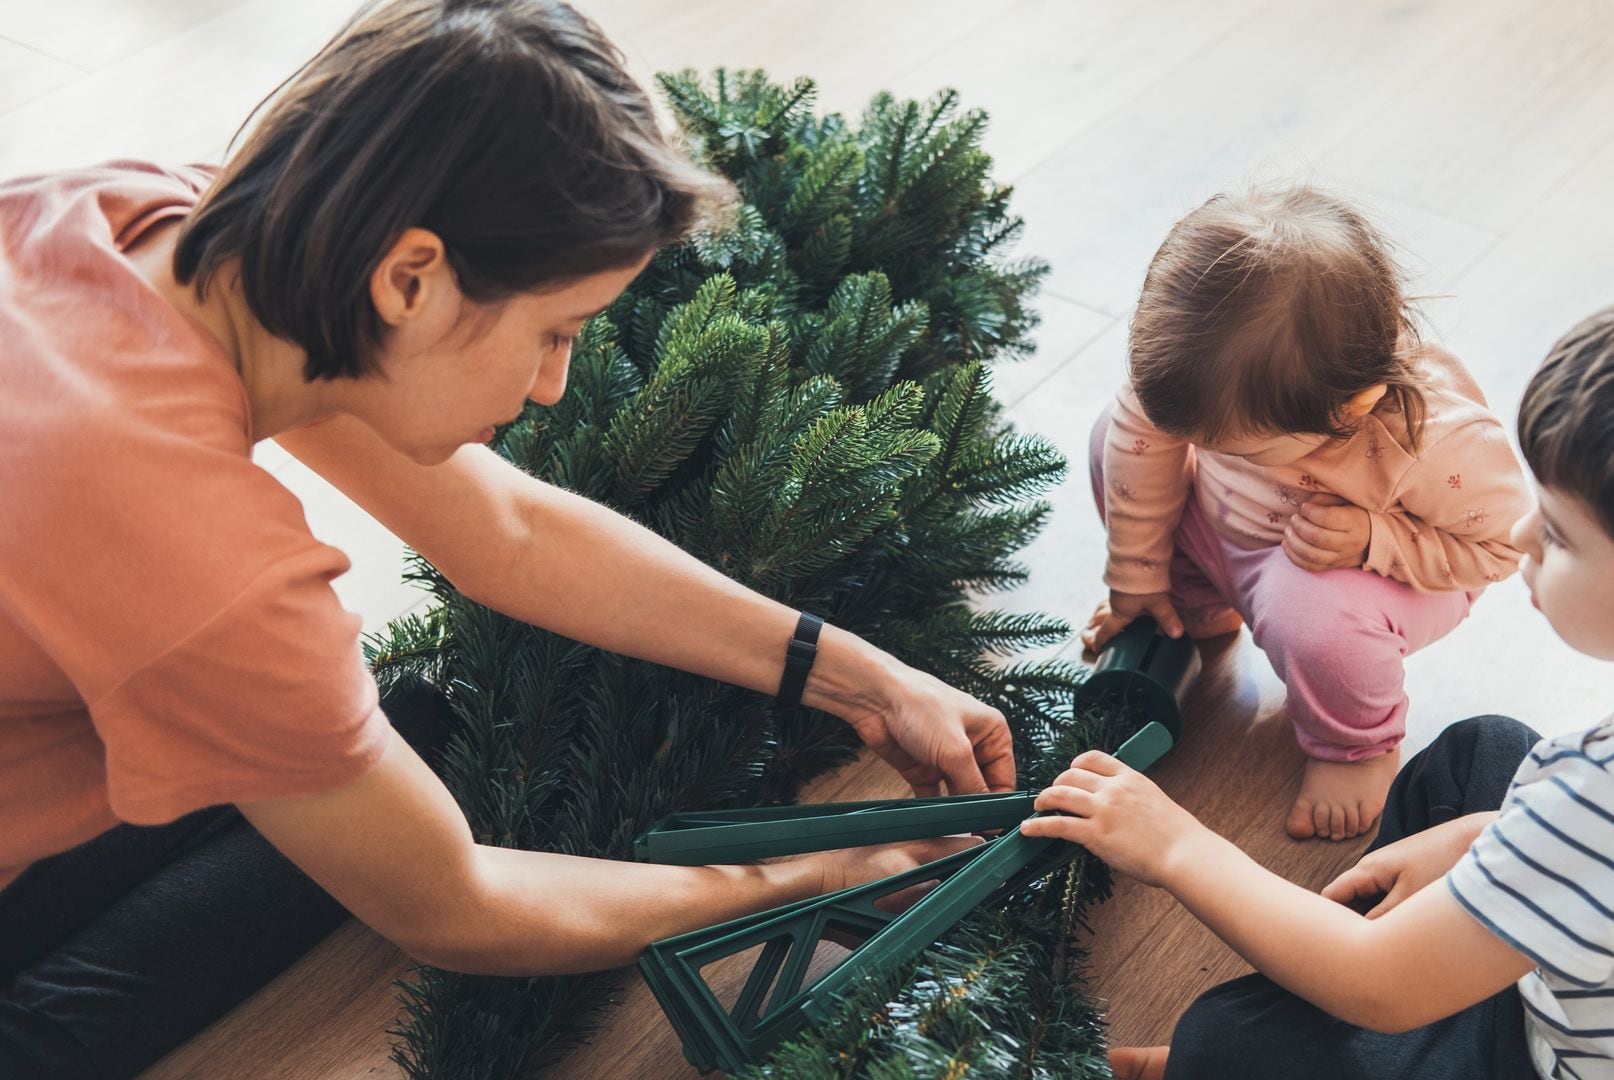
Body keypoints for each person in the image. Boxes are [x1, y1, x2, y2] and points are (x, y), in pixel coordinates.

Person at [0, 2, 1011, 1075]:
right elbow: (456, 905)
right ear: (410, 277)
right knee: (334, 808)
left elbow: (508, 529)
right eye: (554, 331)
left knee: (387, 739)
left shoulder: (131, 215)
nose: (552, 385)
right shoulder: (203, 566)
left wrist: (860, 677)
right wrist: (811, 876)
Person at [1037, 245, 1614, 1078]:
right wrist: (1489, 840)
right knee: (1483, 755)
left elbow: (1379, 986)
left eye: (1564, 536)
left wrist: (1176, 845)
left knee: (1226, 1042)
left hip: (1569, 1056)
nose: (1526, 535)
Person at [1083, 182, 1531, 840]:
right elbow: (1146, 432)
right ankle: (1193, 601)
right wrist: (1136, 577)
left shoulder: (1434, 442)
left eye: (1240, 447)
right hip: (1229, 536)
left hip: (1370, 575)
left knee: (1311, 610)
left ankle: (1360, 746)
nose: (1210, 451)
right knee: (1119, 440)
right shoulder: (1212, 376)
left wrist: (1376, 540)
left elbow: (1505, 547)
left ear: (1347, 412)